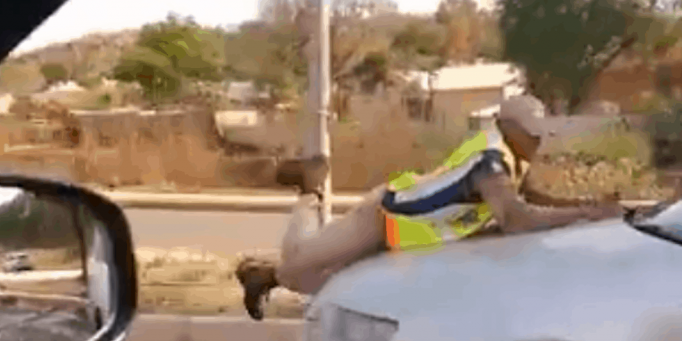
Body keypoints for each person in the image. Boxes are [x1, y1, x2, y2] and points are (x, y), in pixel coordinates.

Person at [236, 94, 623, 320]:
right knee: (297, 270)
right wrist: (585, 214)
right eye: (533, 136)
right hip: (384, 217)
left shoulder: (509, 154)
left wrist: (587, 205)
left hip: (405, 238)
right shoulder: (492, 162)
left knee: (338, 289)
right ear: (511, 128)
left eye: (541, 136)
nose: (540, 144)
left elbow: (534, 198)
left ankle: (262, 276)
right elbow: (515, 218)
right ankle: (308, 193)